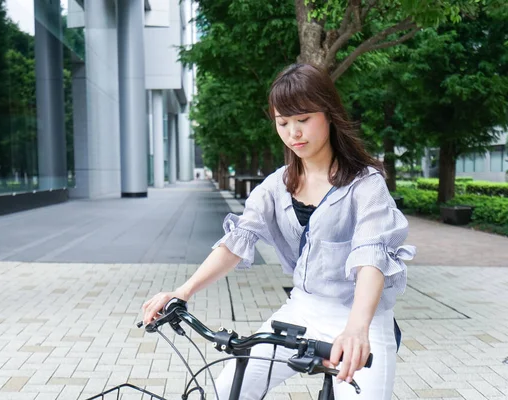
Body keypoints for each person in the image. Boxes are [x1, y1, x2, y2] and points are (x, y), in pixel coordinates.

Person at [142, 63, 416, 399]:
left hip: (361, 318)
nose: (293, 133)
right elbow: (237, 241)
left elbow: (371, 257)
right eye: (283, 122)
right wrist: (182, 291)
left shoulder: (365, 184)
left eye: (303, 120)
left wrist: (358, 329)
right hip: (301, 311)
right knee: (228, 389)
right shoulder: (276, 185)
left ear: (328, 115)